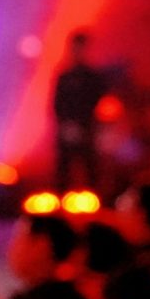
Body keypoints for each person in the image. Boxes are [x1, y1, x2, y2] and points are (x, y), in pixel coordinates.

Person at [53, 31, 107, 195]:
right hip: (67, 130)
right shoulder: (64, 76)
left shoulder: (93, 77)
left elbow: (98, 103)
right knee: (63, 172)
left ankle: (93, 208)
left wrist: (85, 125)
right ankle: (61, 211)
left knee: (91, 170)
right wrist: (67, 126)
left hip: (87, 130)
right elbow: (57, 104)